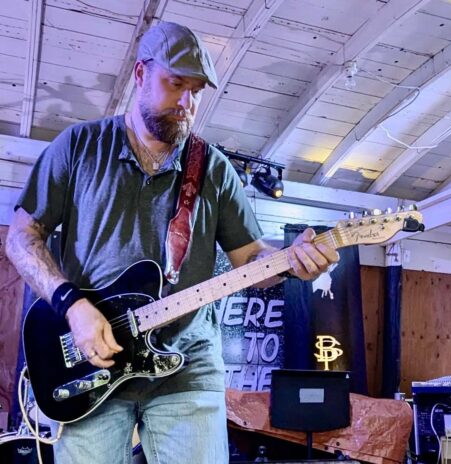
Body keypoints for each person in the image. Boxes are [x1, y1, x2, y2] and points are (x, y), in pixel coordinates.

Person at [5, 21, 339, 463]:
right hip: (92, 356)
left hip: (187, 364)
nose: (187, 103)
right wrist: (72, 306)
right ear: (140, 75)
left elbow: (250, 258)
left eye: (197, 91)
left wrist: (291, 260)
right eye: (175, 84)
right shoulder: (78, 147)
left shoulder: (214, 169)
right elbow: (22, 238)